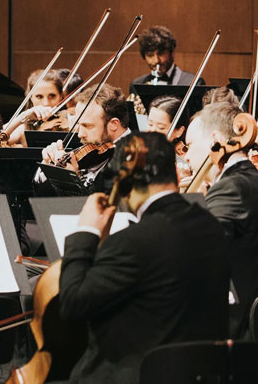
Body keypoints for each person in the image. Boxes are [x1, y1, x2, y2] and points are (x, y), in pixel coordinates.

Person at [57, 133, 231, 383]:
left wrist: (87, 231)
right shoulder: (211, 226)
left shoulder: (132, 242)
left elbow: (72, 304)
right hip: (198, 374)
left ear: (125, 181)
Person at [181, 102, 258, 337]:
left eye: (190, 146)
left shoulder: (231, 189)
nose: (187, 157)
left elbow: (195, 252)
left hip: (237, 332)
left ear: (215, 140)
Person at [41, 84, 131, 192]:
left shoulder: (132, 159)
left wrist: (73, 181)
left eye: (87, 126)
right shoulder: (94, 146)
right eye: (79, 125)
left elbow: (102, 206)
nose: (80, 134)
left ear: (113, 124)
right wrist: (47, 165)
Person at [130, 26, 202, 89]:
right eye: (150, 55)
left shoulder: (193, 83)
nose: (156, 61)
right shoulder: (137, 84)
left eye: (161, 54)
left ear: (172, 53)